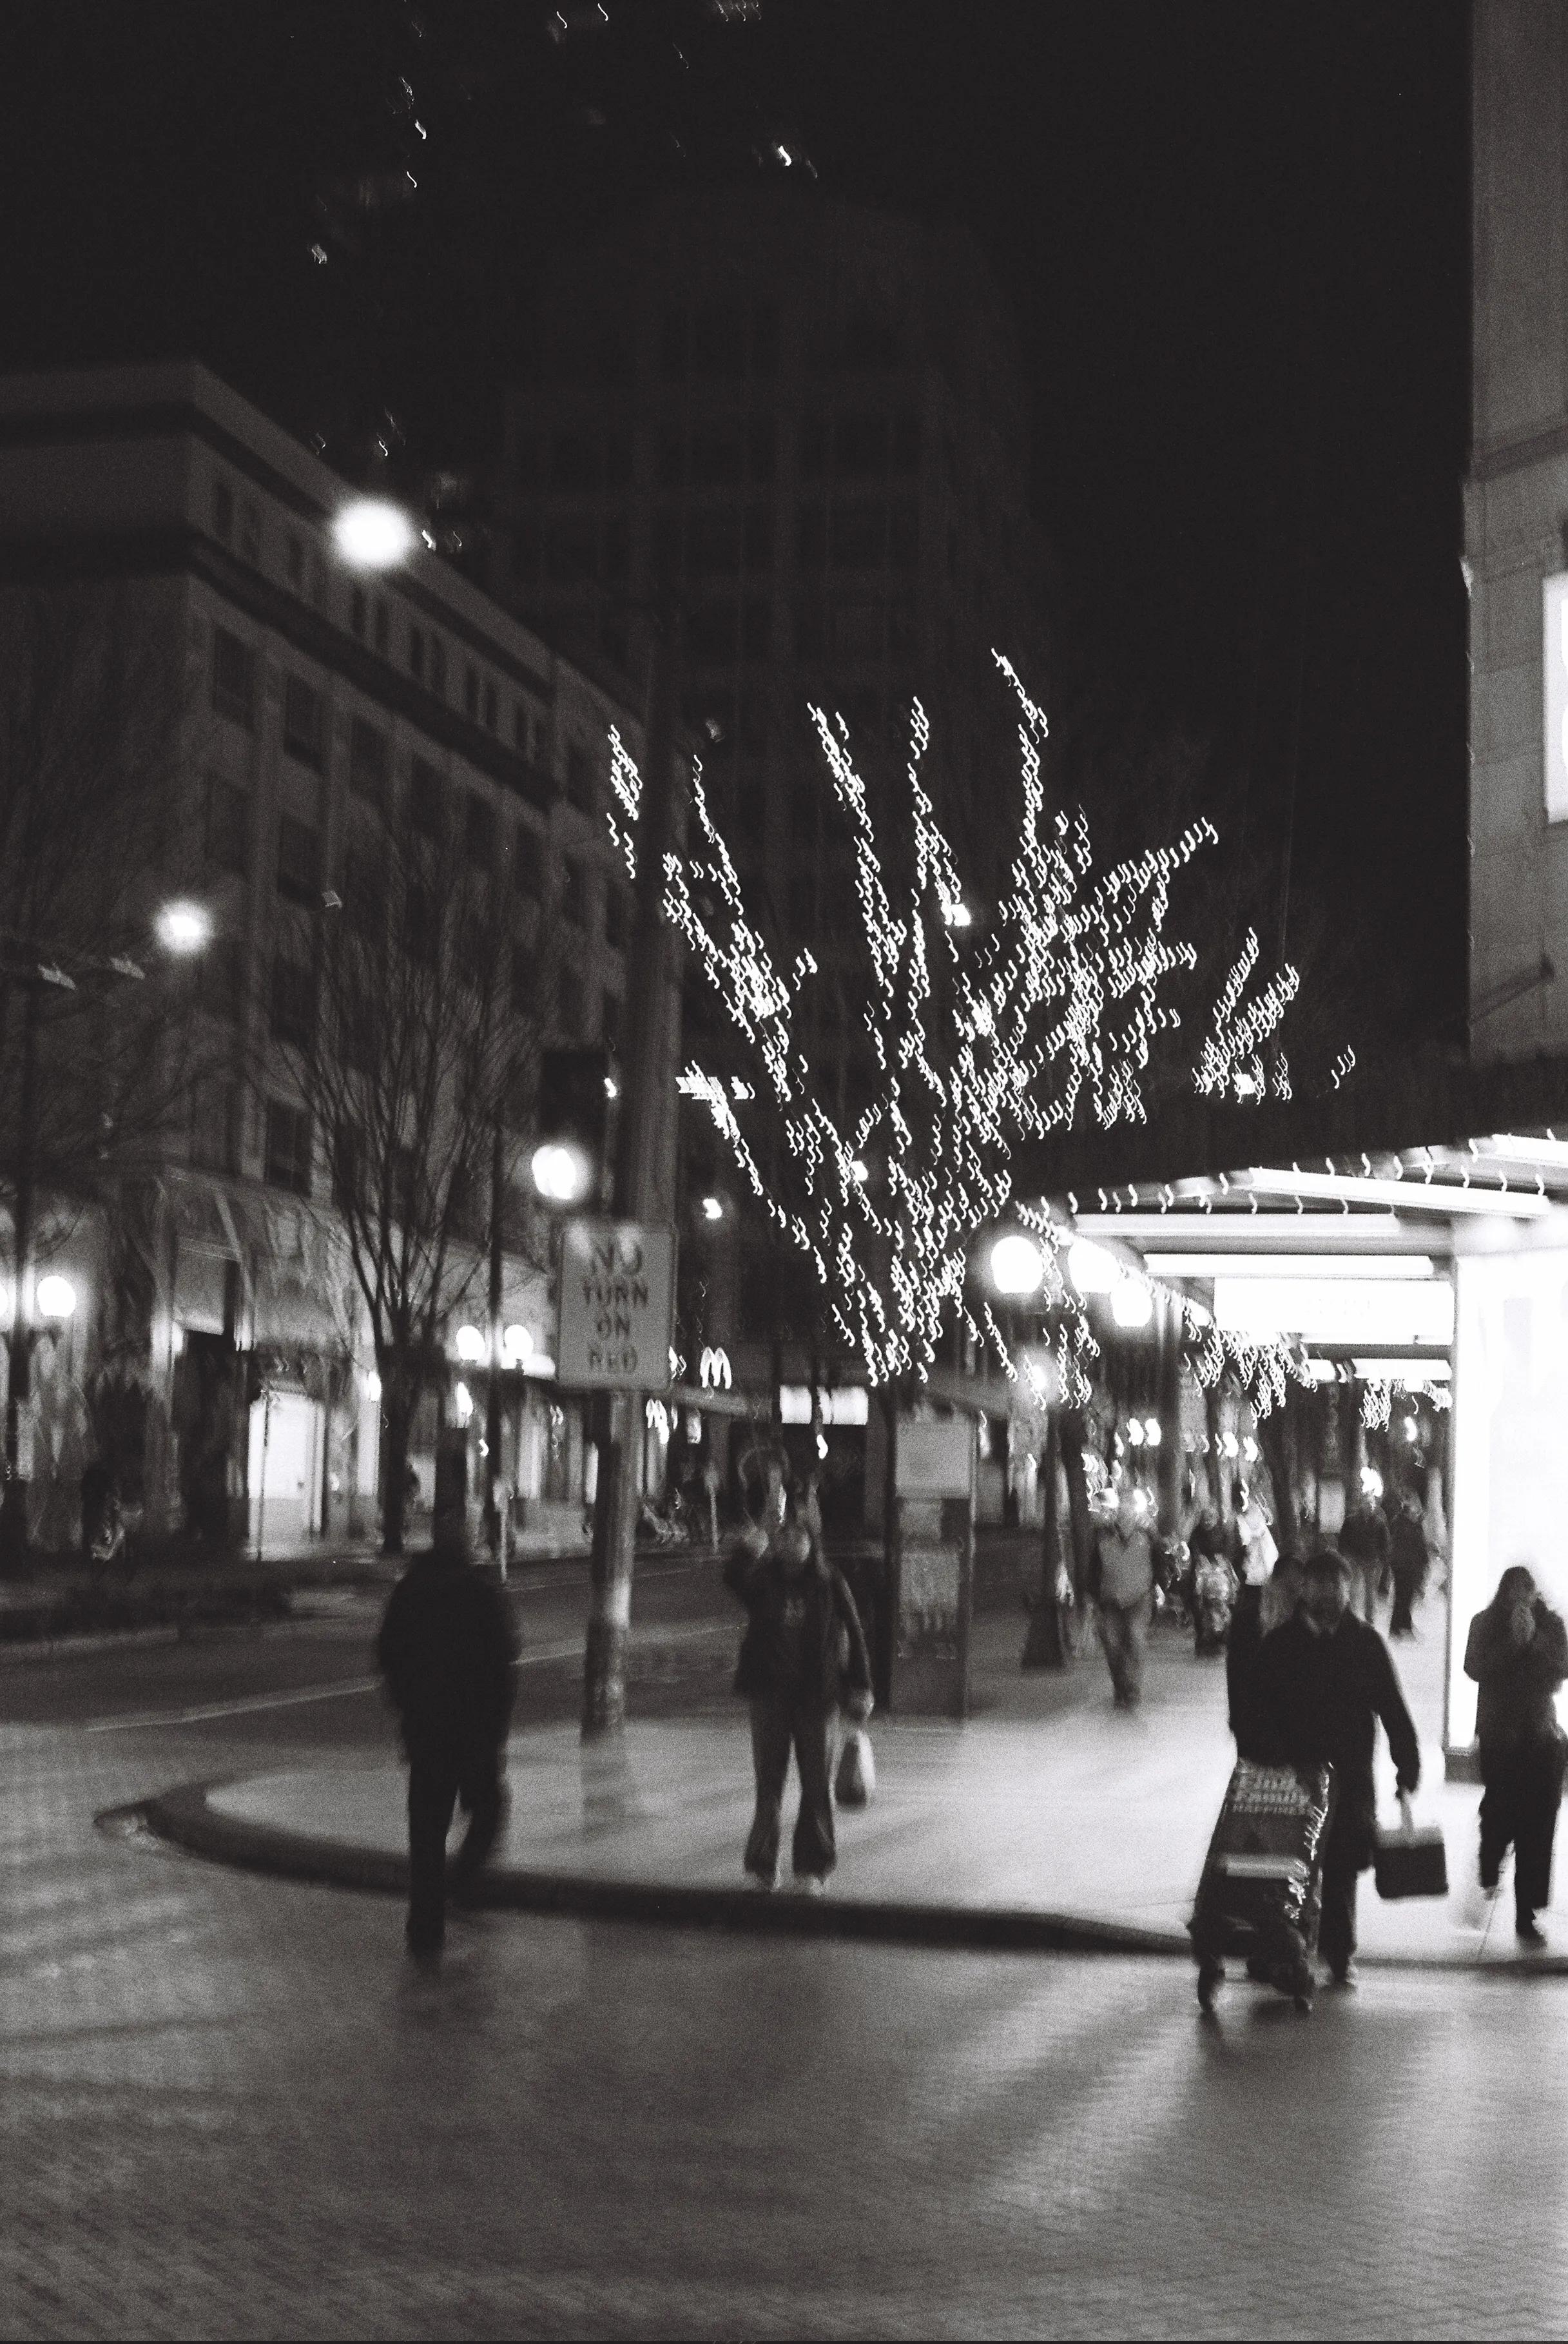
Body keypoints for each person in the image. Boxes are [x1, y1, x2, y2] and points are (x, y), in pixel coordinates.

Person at [1251, 1545, 1420, 1985]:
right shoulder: (1281, 1645)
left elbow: (1392, 1708)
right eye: (1320, 1583)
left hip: (1348, 1775)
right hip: (1293, 1775)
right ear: (1305, 1589)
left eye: (1337, 1584)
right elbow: (1260, 1710)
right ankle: (1288, 1948)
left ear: (1348, 1589)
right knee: (1292, 1867)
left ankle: (1338, 1952)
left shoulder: (1365, 1643)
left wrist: (1407, 1766)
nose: (1329, 1592)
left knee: (1342, 1865)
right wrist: (1266, 1758)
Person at [376, 1529, 520, 1971]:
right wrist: (496, 1728)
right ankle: (463, 1879)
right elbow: (504, 1663)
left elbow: (387, 1653)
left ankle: (425, 1926)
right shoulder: (481, 1594)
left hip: (426, 1731)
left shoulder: (410, 1592)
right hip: (472, 1730)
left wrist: (406, 1704)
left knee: (426, 1830)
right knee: (489, 1804)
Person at [724, 1512, 873, 1892]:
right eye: (784, 1535)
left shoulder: (829, 1582)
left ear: (812, 1541)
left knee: (816, 1784)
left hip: (818, 1698)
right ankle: (762, 1866)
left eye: (799, 1534)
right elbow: (733, 1581)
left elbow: (855, 1632)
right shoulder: (763, 1580)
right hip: (770, 1695)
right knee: (768, 1784)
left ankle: (812, 1867)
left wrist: (861, 1686)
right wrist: (746, 1551)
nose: (792, 1541)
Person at [1464, 1566, 1568, 1948]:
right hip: (1499, 1738)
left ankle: (1527, 1911)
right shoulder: (1485, 1624)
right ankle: (1489, 1860)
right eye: (1514, 1591)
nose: (1522, 1598)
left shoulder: (1551, 1625)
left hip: (1541, 1740)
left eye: (1528, 1591)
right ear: (1503, 1593)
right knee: (1499, 1812)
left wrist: (1534, 1641)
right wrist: (1511, 1645)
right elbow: (1473, 1666)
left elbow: (1563, 1667)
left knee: (1537, 1829)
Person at [1226, 1549, 1304, 1753]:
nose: (1292, 1597)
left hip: (1291, 1728)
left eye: (1296, 1591)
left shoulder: (1303, 1623)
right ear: (1274, 1584)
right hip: (1256, 1724)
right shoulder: (1248, 1621)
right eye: (1288, 1590)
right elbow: (1236, 1675)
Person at [1087, 1483, 1155, 1710]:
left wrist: (1155, 1588)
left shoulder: (1147, 1535)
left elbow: (1159, 1563)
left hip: (1139, 1598)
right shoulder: (1103, 1535)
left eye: (1130, 1508)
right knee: (1112, 1644)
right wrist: (1092, 1596)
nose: (1125, 1513)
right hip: (1110, 1599)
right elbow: (1094, 1567)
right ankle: (1120, 1685)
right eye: (1122, 1508)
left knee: (1135, 1640)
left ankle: (1133, 1689)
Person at [1339, 1498, 1391, 1626]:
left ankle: (1369, 1616)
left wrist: (1382, 1556)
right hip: (1355, 1558)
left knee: (1370, 1589)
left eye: (1371, 1505)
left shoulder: (1379, 1522)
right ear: (1361, 1505)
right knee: (1354, 1588)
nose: (1369, 1507)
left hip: (1371, 1559)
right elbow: (1343, 1538)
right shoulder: (1351, 1520)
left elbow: (1385, 1541)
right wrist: (1346, 1554)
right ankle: (1352, 1614)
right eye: (1367, 1504)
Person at [1388, 1495, 1430, 1638]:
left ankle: (1404, 1625)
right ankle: (1398, 1628)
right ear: (1407, 1512)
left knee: (1407, 1597)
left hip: (1408, 1566)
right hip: (1404, 1566)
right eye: (1414, 1510)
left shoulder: (1411, 1525)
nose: (1417, 1512)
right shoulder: (1405, 1526)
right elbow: (1414, 1546)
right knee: (1403, 1597)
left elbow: (1420, 1546)